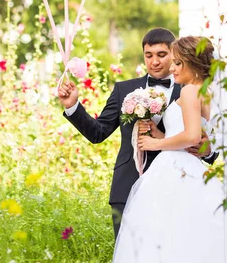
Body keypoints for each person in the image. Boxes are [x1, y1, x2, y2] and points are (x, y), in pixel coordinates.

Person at [58, 28, 218, 238]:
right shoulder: (123, 89)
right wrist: (73, 106)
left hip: (178, 187)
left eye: (162, 55)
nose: (155, 62)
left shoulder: (191, 87)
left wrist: (204, 151)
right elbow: (98, 133)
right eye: (148, 55)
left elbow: (207, 145)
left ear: (175, 55)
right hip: (128, 185)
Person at [113, 36, 227, 263]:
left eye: (178, 62)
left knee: (164, 234)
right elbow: (203, 133)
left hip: (173, 169)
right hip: (190, 167)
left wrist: (156, 143)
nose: (172, 67)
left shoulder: (190, 91)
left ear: (192, 62)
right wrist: (162, 134)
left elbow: (191, 136)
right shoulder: (206, 91)